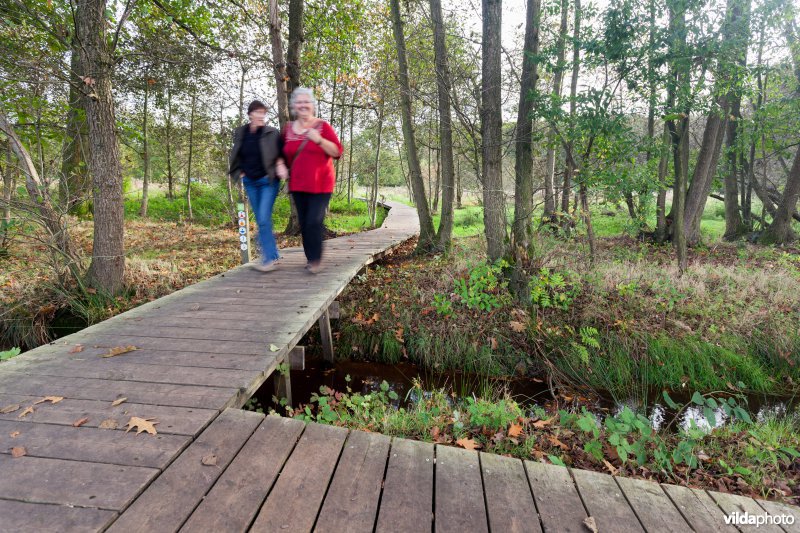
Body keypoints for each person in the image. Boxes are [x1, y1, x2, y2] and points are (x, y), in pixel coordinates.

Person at [278, 87, 343, 274]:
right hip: (298, 185)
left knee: (314, 221)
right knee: (305, 223)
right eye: (299, 102)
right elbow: (280, 153)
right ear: (293, 107)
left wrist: (320, 140)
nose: (303, 105)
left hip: (322, 184)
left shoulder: (322, 126)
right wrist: (280, 165)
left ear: (312, 105)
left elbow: (337, 151)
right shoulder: (288, 129)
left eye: (306, 102)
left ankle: (315, 259)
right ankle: (310, 257)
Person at [229, 100, 288, 272]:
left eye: (263, 113)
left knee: (262, 219)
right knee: (263, 221)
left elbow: (280, 153)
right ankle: (273, 254)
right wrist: (239, 172)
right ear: (250, 114)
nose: (261, 116)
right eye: (258, 112)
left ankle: (268, 258)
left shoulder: (271, 132)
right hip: (250, 182)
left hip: (267, 181)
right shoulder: (240, 133)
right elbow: (236, 154)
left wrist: (280, 164)